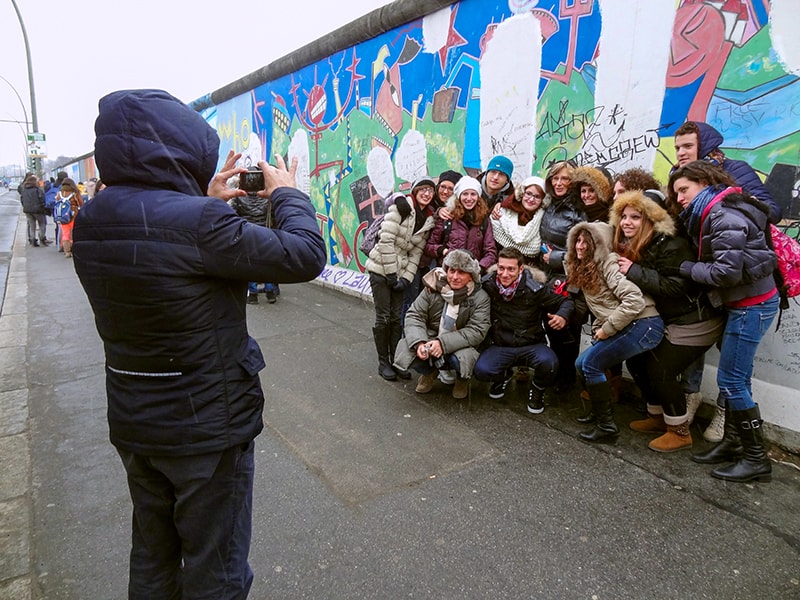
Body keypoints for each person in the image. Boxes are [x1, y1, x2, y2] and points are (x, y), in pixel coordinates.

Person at [72, 88, 326, 599]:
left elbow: (156, 247)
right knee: (217, 567)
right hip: (205, 426)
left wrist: (199, 201)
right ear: (180, 148)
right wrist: (286, 193)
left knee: (153, 554)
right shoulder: (201, 224)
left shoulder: (95, 218)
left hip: (135, 419)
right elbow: (303, 255)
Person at [668, 160, 778, 482]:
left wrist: (687, 268)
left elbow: (726, 273)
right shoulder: (715, 210)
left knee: (732, 381)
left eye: (684, 190)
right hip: (746, 303)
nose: (680, 198)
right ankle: (732, 444)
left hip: (751, 305)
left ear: (703, 182)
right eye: (676, 193)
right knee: (735, 380)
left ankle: (756, 459)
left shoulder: (722, 215)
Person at [610, 190, 725, 452]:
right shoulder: (643, 243)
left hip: (696, 320)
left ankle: (680, 431)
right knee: (637, 359)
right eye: (623, 216)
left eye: (635, 217)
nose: (627, 222)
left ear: (651, 219)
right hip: (671, 319)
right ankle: (658, 416)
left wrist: (633, 270)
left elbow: (678, 288)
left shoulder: (672, 244)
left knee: (660, 369)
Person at [565, 221, 665, 443]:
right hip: (626, 324)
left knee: (591, 364)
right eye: (577, 241)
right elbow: (601, 308)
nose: (580, 247)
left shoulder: (608, 264)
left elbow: (634, 300)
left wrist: (607, 329)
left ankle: (607, 427)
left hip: (644, 323)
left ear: (598, 245)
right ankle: (600, 411)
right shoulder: (585, 268)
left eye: (586, 242)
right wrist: (599, 329)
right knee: (582, 364)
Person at [474, 247, 575, 413]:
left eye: (511, 269)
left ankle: (537, 390)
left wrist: (562, 317)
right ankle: (504, 376)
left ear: (521, 269)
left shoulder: (535, 289)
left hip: (531, 343)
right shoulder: (488, 284)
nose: (505, 274)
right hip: (501, 344)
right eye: (501, 268)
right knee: (481, 370)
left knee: (549, 364)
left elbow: (566, 301)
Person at [393, 249, 491, 399]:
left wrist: (442, 343)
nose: (455, 277)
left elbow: (477, 331)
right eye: (452, 270)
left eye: (462, 272)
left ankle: (462, 379)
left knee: (461, 359)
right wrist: (420, 343)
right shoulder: (432, 288)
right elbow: (414, 315)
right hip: (432, 336)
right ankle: (429, 372)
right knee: (410, 349)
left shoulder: (481, 297)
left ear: (472, 275)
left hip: (462, 344)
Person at [366, 178, 437, 381]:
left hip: (401, 273)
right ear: (415, 191)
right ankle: (383, 362)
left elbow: (416, 252)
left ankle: (396, 360)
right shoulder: (402, 207)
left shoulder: (428, 218)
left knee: (398, 318)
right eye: (422, 189)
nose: (426, 193)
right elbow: (386, 239)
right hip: (380, 269)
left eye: (430, 190)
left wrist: (406, 278)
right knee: (384, 317)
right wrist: (390, 273)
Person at [672, 121, 781, 223]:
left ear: (704, 147)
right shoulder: (676, 179)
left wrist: (742, 207)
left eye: (688, 146)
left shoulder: (735, 169)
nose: (680, 153)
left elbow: (773, 212)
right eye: (677, 148)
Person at [539, 160, 586, 390]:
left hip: (567, 276)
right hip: (547, 275)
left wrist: (556, 258)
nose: (559, 183)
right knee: (551, 326)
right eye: (555, 178)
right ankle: (556, 374)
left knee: (566, 330)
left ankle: (566, 380)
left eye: (565, 178)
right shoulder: (549, 204)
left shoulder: (578, 209)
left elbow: (585, 247)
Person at [425, 176, 497, 273]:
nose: (469, 198)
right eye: (465, 194)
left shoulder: (484, 220)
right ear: (459, 196)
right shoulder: (448, 217)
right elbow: (429, 246)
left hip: (472, 275)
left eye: (473, 194)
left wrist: (478, 268)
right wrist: (443, 251)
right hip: (448, 272)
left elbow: (490, 251)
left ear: (478, 197)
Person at [228, 188, 279, 305]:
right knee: (267, 263)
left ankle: (253, 294)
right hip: (266, 233)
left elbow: (232, 214)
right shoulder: (267, 197)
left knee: (250, 264)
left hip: (247, 233)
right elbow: (273, 215)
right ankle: (270, 291)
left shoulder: (239, 196)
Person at [490, 176, 547, 262]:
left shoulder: (546, 219)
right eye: (528, 193)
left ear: (543, 200)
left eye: (537, 196)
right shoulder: (501, 213)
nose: (531, 199)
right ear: (521, 193)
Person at [54, 178, 84, 258]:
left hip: (63, 217)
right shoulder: (74, 193)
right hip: (73, 215)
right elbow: (81, 203)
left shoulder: (59, 193)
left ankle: (67, 251)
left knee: (65, 234)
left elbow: (56, 204)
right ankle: (74, 249)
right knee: (74, 233)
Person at [19, 174, 49, 246]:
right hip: (38, 210)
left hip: (27, 210)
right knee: (42, 224)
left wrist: (25, 206)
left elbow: (22, 200)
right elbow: (42, 199)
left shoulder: (24, 190)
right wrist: (43, 207)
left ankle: (32, 240)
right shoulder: (38, 190)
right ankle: (42, 238)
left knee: (32, 226)